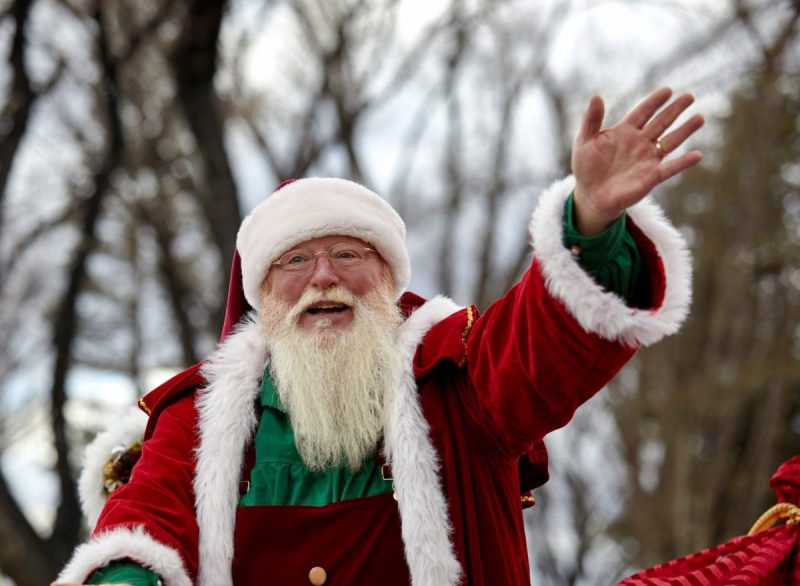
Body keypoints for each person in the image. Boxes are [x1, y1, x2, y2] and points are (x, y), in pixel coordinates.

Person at [55, 87, 703, 586]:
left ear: (389, 277)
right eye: (295, 261)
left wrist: (590, 219)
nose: (324, 277)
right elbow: (144, 526)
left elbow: (541, 339)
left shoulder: (457, 377)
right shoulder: (199, 418)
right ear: (263, 293)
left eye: (347, 254)